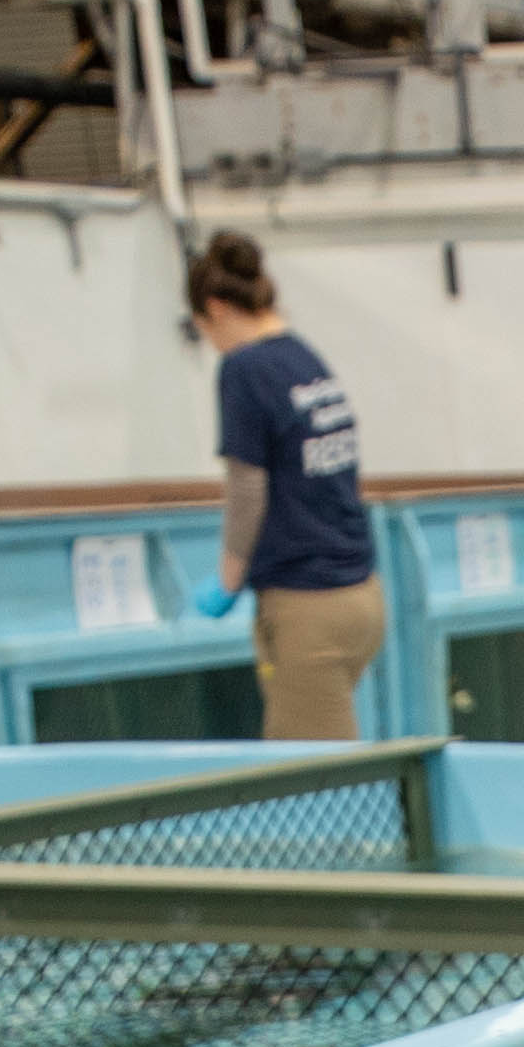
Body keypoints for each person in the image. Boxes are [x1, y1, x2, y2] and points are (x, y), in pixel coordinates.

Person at [190, 231, 382, 743]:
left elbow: (247, 489)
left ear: (216, 310)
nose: (212, 345)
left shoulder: (245, 368)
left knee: (314, 787)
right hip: (360, 595)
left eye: (204, 331)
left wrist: (228, 581)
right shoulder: (304, 358)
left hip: (308, 607)